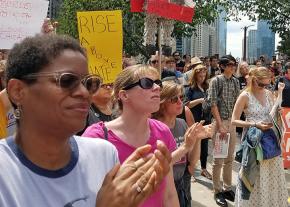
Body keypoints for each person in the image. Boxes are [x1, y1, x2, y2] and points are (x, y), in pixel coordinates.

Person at [0, 34, 172, 207]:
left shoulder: (104, 154)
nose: (83, 93)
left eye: (89, 83)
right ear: (18, 91)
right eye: (67, 80)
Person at [83, 64, 180, 207]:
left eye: (158, 83)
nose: (157, 87)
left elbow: (169, 193)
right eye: (147, 83)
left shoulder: (163, 131)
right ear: (124, 95)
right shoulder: (95, 137)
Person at [231, 67, 288, 207]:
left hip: (271, 142)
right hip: (253, 144)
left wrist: (278, 111)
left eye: (267, 84)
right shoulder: (244, 96)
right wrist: (255, 124)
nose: (264, 87)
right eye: (261, 84)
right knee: (253, 176)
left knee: (271, 177)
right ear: (253, 80)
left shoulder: (268, 94)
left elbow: (273, 113)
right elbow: (233, 121)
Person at [152, 81, 212, 207]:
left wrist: (198, 139)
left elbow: (191, 161)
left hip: (182, 182)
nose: (180, 102)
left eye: (181, 97)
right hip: (162, 186)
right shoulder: (153, 127)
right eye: (174, 99)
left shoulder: (181, 123)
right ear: (162, 103)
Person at [208, 55, 240, 207]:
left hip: (231, 123)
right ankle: (217, 191)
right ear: (222, 66)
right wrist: (220, 125)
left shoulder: (235, 81)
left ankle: (227, 188)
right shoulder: (216, 80)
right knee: (218, 160)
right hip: (220, 122)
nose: (233, 66)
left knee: (229, 158)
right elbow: (213, 104)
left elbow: (237, 103)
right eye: (230, 64)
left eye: (234, 64)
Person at [185, 64, 212, 180]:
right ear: (195, 75)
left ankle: (204, 168)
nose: (202, 76)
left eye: (204, 74)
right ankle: (190, 169)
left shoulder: (207, 87)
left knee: (204, 144)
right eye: (199, 74)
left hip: (206, 118)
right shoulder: (190, 88)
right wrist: (200, 100)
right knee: (192, 144)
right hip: (194, 119)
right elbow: (186, 104)